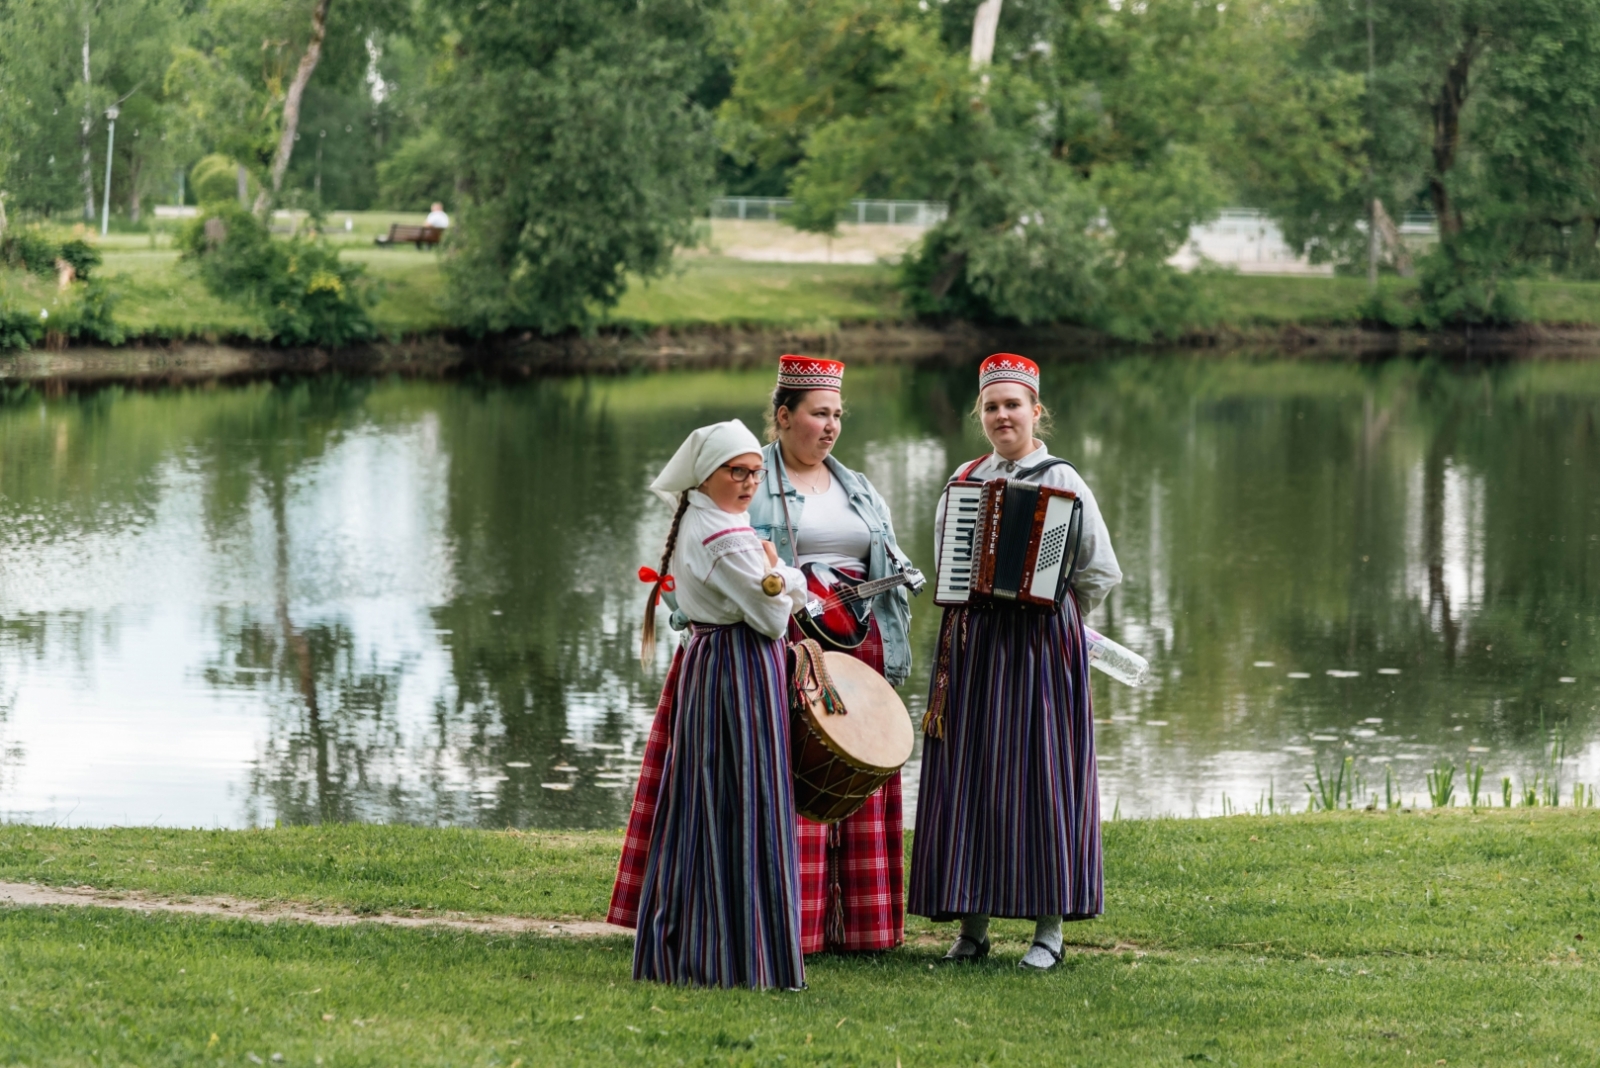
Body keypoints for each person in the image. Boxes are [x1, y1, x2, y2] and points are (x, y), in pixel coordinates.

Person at [908, 353, 1122, 970]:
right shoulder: (964, 478)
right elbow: (950, 559)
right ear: (981, 413)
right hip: (975, 644)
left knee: (1041, 777)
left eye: (1013, 405)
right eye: (992, 406)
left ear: (1035, 410)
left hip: (1040, 649)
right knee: (973, 773)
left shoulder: (1064, 480)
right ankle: (972, 929)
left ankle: (1048, 932)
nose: (1003, 416)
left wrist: (1056, 603)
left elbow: (1100, 569)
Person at [624, 419, 810, 989]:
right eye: (739, 472)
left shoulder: (709, 521)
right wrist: (788, 574)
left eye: (757, 471)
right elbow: (775, 615)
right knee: (746, 798)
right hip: (740, 668)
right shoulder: (726, 537)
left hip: (713, 664)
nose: (751, 482)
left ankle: (697, 944)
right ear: (706, 477)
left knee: (707, 798)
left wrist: (775, 573)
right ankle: (741, 955)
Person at [749, 354, 916, 954]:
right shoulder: (751, 480)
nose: (830, 426)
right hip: (790, 648)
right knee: (800, 774)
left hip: (861, 644)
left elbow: (885, 559)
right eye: (819, 414)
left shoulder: (858, 487)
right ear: (783, 415)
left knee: (858, 771)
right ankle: (797, 924)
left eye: (838, 415)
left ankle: (864, 932)